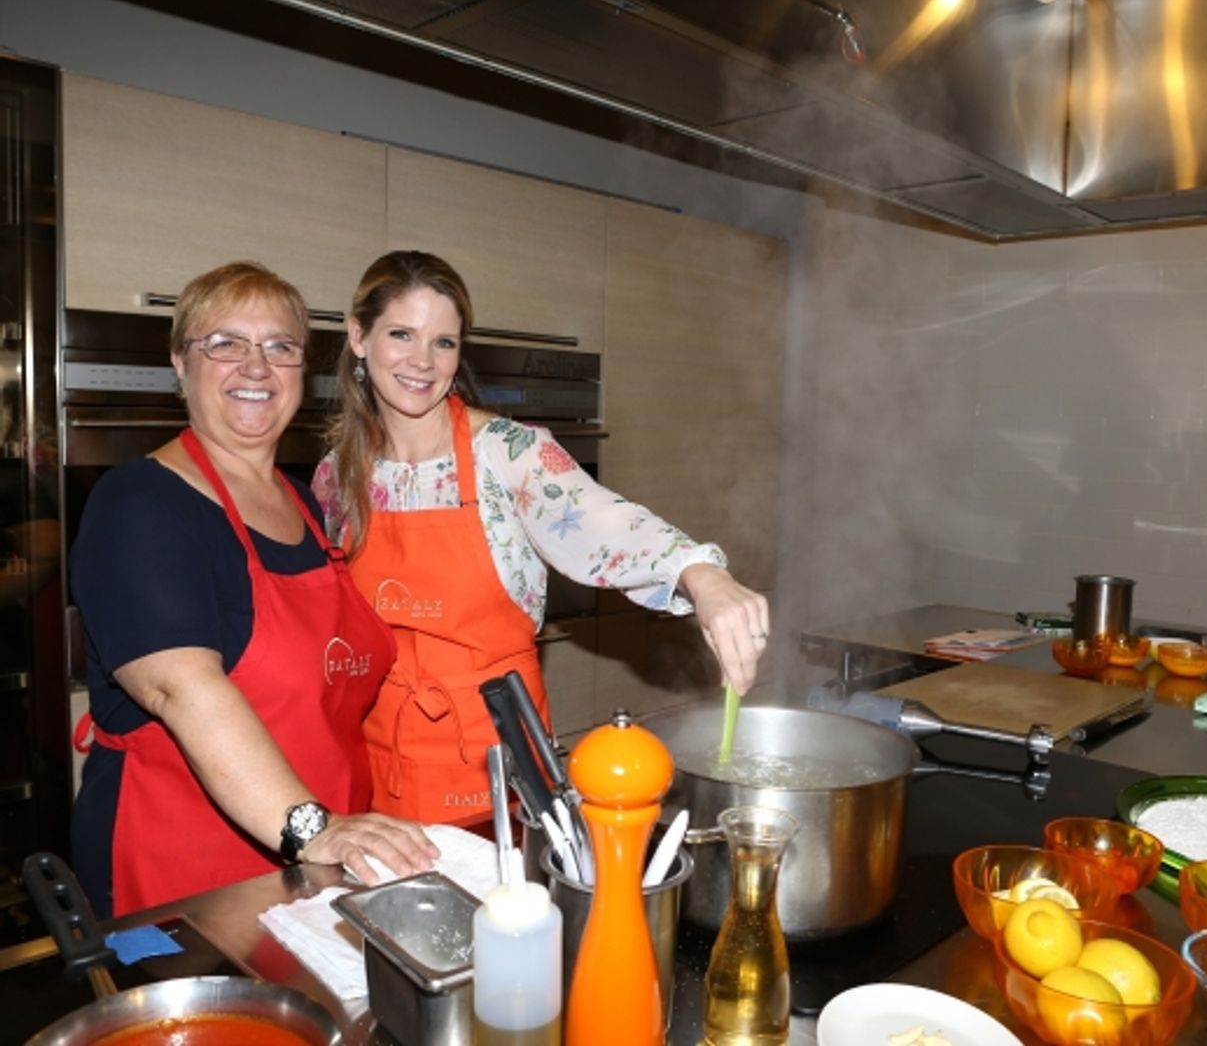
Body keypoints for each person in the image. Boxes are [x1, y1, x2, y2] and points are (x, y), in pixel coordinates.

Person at [313, 250, 770, 824]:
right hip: (375, 759)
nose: (422, 361)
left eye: (444, 342)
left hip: (495, 759)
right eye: (401, 334)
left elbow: (603, 520)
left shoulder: (510, 454)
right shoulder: (337, 475)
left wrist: (702, 575)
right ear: (359, 336)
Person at [70, 262, 437, 918]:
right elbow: (180, 687)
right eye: (225, 343)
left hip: (318, 868)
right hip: (189, 879)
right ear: (180, 364)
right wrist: (311, 829)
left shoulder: (303, 501)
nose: (256, 367)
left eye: (280, 348)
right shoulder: (141, 503)